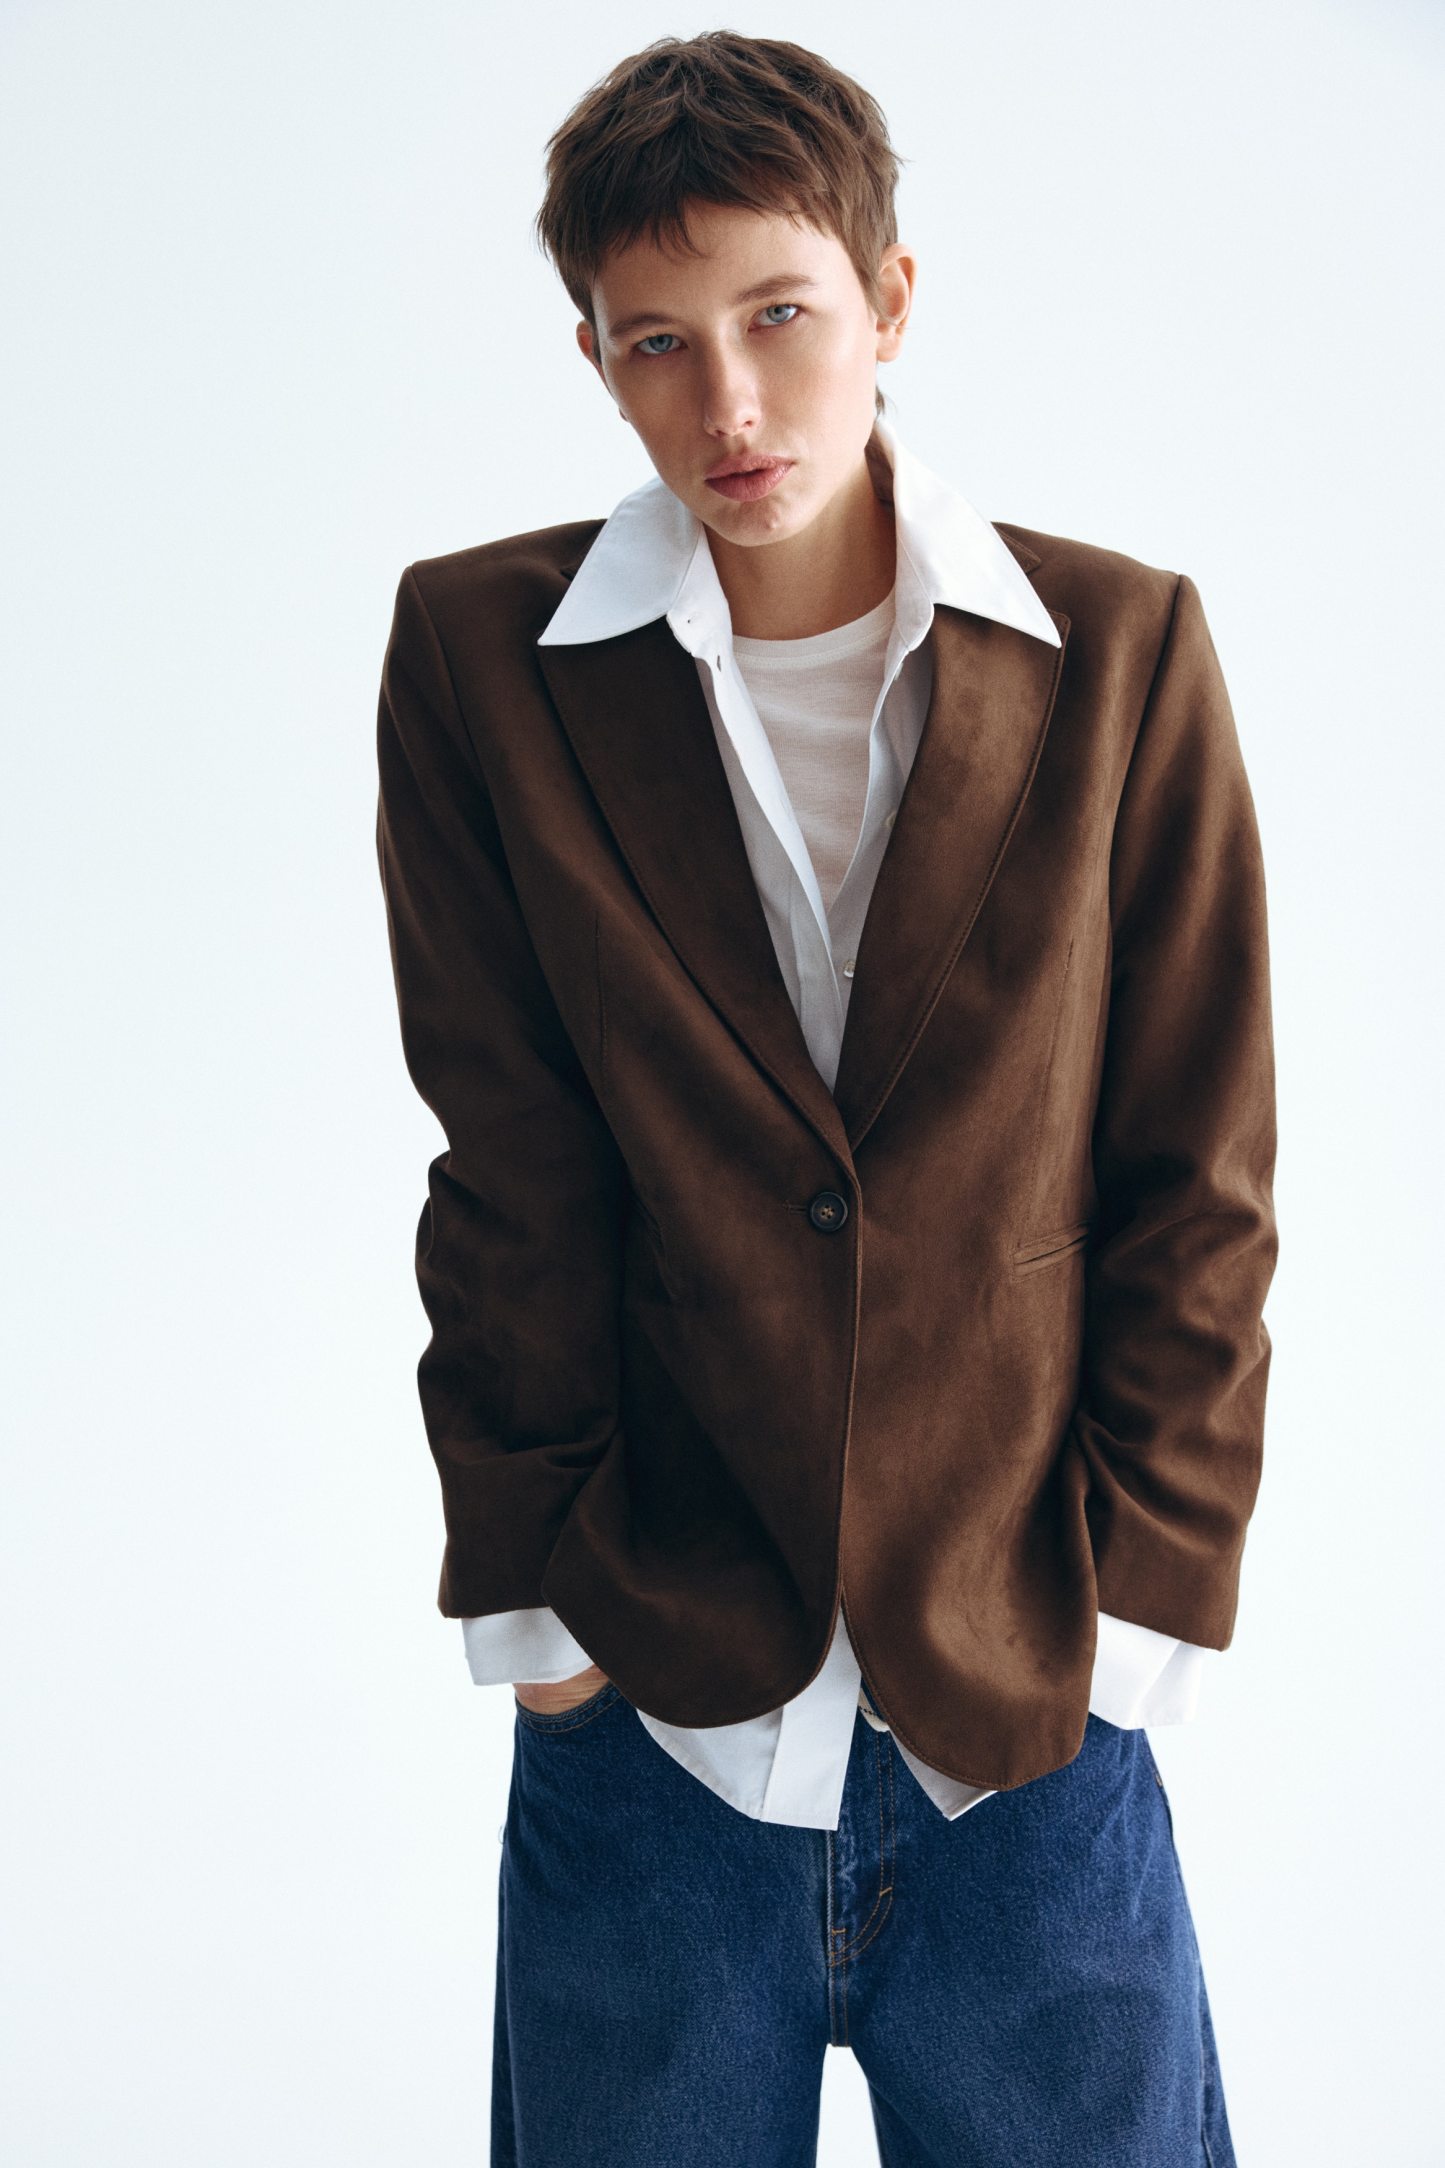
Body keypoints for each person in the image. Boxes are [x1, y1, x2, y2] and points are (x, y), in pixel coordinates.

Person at [375, 31, 1276, 2167]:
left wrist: (1132, 1621)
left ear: (887, 299)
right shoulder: (483, 660)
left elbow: (1196, 1170)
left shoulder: (1120, 651)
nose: (730, 400)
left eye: (779, 315)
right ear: (595, 359)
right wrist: (546, 1632)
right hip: (653, 1720)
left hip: (1023, 1721)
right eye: (658, 343)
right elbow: (507, 1167)